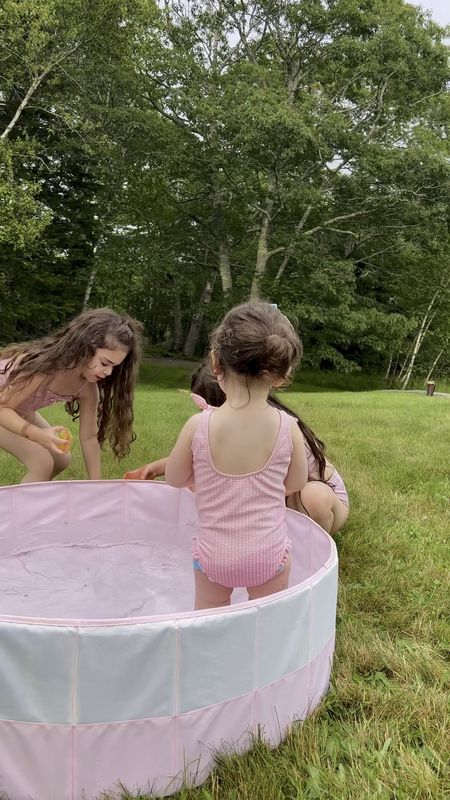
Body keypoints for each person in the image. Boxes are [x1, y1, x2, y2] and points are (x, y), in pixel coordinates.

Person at [162, 301, 308, 609]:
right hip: (268, 556)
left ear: (215, 363)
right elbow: (296, 481)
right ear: (281, 375)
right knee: (269, 619)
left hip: (213, 558)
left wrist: (201, 480)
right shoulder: (288, 427)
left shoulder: (197, 426)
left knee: (208, 618)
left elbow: (174, 478)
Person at [128, 361, 349, 536]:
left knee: (314, 497)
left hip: (315, 496)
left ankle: (317, 551)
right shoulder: (231, 423)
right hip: (278, 500)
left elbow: (294, 483)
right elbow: (198, 455)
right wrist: (154, 468)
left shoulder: (282, 428)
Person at [0, 308, 143, 483]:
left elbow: (89, 438)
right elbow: (3, 406)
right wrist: (35, 433)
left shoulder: (88, 389)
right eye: (105, 363)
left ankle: (36, 493)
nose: (108, 372)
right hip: (3, 407)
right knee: (41, 461)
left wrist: (97, 484)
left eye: (114, 367)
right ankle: (22, 509)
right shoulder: (45, 369)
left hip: (17, 409)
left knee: (62, 458)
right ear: (84, 348)